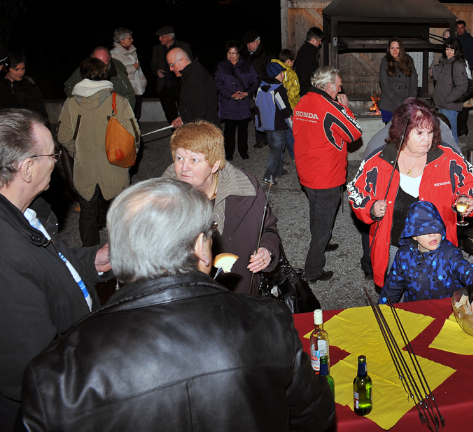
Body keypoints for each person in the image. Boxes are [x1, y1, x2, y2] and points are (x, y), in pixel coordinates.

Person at [16, 178, 335, 432]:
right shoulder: (268, 321)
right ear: (201, 247)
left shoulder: (53, 373)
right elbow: (315, 417)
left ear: (117, 250)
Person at [0, 109, 111, 430]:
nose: (57, 161)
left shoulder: (26, 212)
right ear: (28, 168)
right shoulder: (5, 258)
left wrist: (95, 260)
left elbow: (49, 268)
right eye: (53, 154)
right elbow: (34, 369)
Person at [349, 98, 473, 287]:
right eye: (419, 133)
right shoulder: (380, 161)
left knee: (434, 306)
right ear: (402, 132)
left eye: (429, 132)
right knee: (397, 305)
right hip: (395, 250)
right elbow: (355, 191)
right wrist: (371, 207)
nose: (427, 139)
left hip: (438, 251)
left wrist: (468, 200)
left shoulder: (448, 159)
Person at [162, 121, 280, 294]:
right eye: (179, 158)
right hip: (191, 300)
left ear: (215, 165)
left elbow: (268, 228)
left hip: (242, 293)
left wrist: (267, 250)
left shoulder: (247, 190)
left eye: (194, 160)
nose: (183, 168)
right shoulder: (162, 199)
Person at [57, 58, 139, 248]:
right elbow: (133, 135)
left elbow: (63, 136)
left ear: (83, 75)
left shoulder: (71, 103)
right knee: (119, 214)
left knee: (87, 214)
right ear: (105, 73)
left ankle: (91, 258)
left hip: (85, 168)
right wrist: (129, 157)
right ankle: (121, 253)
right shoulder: (118, 101)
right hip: (114, 166)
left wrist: (76, 152)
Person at [294, 66, 362, 283]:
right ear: (329, 85)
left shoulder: (303, 101)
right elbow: (354, 133)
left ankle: (322, 241)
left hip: (307, 171)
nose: (340, 89)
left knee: (316, 210)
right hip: (326, 175)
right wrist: (345, 108)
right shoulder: (330, 107)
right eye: (339, 86)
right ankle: (313, 269)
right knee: (323, 221)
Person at [380, 200, 473, 316]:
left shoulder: (449, 253)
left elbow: (469, 270)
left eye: (435, 229)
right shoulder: (403, 255)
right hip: (415, 313)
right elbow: (392, 286)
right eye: (424, 231)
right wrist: (382, 309)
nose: (432, 234)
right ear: (414, 236)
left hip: (447, 313)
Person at [215, 39, 259, 160]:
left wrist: (247, 93)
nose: (231, 56)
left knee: (243, 129)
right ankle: (229, 152)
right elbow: (218, 83)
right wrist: (230, 94)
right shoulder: (222, 66)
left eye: (234, 53)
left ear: (239, 54)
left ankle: (243, 151)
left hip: (243, 102)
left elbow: (255, 80)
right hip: (228, 102)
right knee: (229, 129)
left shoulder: (247, 65)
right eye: (229, 53)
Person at [255, 61, 293, 184]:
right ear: (275, 74)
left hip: (267, 125)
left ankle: (278, 171)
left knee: (277, 148)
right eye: (281, 72)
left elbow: (257, 108)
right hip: (278, 125)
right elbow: (285, 110)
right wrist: (293, 126)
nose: (283, 75)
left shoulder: (261, 87)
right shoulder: (278, 90)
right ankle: (268, 175)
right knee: (276, 150)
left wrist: (259, 124)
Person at [64, 47, 135, 110]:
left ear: (110, 59)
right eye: (97, 64)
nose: (101, 68)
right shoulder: (82, 71)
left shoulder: (119, 74)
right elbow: (69, 88)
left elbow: (129, 97)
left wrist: (122, 116)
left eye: (104, 65)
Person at [149, 26, 194, 124]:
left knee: (185, 111)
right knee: (169, 113)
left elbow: (191, 66)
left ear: (170, 37)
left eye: (162, 37)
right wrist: (157, 71)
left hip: (180, 85)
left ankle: (187, 133)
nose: (160, 39)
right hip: (164, 86)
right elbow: (153, 65)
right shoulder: (157, 48)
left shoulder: (184, 46)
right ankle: (175, 134)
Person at [167, 47, 219, 127]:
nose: (170, 69)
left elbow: (199, 113)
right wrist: (183, 117)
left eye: (172, 65)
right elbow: (193, 104)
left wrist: (186, 122)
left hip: (203, 131)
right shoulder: (193, 73)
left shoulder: (195, 78)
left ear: (183, 61)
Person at [243, 30, 277, 149]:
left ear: (258, 41)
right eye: (247, 44)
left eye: (252, 43)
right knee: (255, 115)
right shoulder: (246, 56)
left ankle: (270, 140)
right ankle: (260, 139)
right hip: (251, 91)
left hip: (263, 90)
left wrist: (265, 87)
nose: (249, 46)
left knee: (266, 116)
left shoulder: (267, 55)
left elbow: (272, 73)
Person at [431, 37, 468, 143]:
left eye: (452, 49)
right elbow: (438, 80)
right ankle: (448, 157)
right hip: (441, 104)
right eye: (447, 49)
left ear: (456, 50)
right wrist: (436, 68)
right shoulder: (445, 63)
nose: (449, 52)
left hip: (449, 105)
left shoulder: (458, 64)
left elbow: (462, 86)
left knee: (451, 134)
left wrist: (448, 99)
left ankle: (456, 157)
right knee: (443, 134)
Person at [0, 51, 49, 124]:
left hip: (27, 130)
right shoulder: (1, 87)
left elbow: (41, 113)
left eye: (23, 69)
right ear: (6, 69)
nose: (21, 73)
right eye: (16, 69)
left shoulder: (30, 87)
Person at [110, 27, 147, 119]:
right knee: (127, 117)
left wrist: (143, 81)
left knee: (137, 115)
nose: (132, 39)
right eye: (129, 38)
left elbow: (139, 68)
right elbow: (115, 72)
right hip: (126, 91)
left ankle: (136, 133)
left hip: (138, 88)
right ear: (121, 40)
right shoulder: (113, 54)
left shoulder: (133, 51)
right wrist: (132, 68)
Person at [378, 37, 417, 124]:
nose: (395, 50)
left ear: (401, 49)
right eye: (392, 48)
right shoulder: (385, 63)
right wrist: (400, 103)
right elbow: (385, 86)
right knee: (391, 134)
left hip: (406, 105)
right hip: (389, 105)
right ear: (389, 49)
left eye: (397, 48)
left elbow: (413, 83)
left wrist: (410, 101)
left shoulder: (409, 60)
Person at [455, 20, 473, 137]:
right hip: (455, 74)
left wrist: (468, 68)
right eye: (458, 28)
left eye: (462, 28)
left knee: (466, 99)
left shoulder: (470, 41)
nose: (460, 30)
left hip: (466, 74)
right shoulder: (455, 40)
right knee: (458, 99)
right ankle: (460, 124)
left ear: (465, 28)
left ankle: (463, 125)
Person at [276, 49, 300, 164]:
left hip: (278, 106)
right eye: (293, 62)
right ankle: (294, 154)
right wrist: (298, 103)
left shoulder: (275, 69)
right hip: (290, 107)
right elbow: (294, 93)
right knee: (291, 131)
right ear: (289, 61)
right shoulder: (290, 74)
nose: (293, 64)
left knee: (281, 132)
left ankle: (281, 158)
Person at [295, 27, 323, 96]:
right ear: (313, 40)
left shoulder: (305, 50)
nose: (320, 43)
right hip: (307, 92)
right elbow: (305, 78)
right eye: (319, 41)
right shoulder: (308, 54)